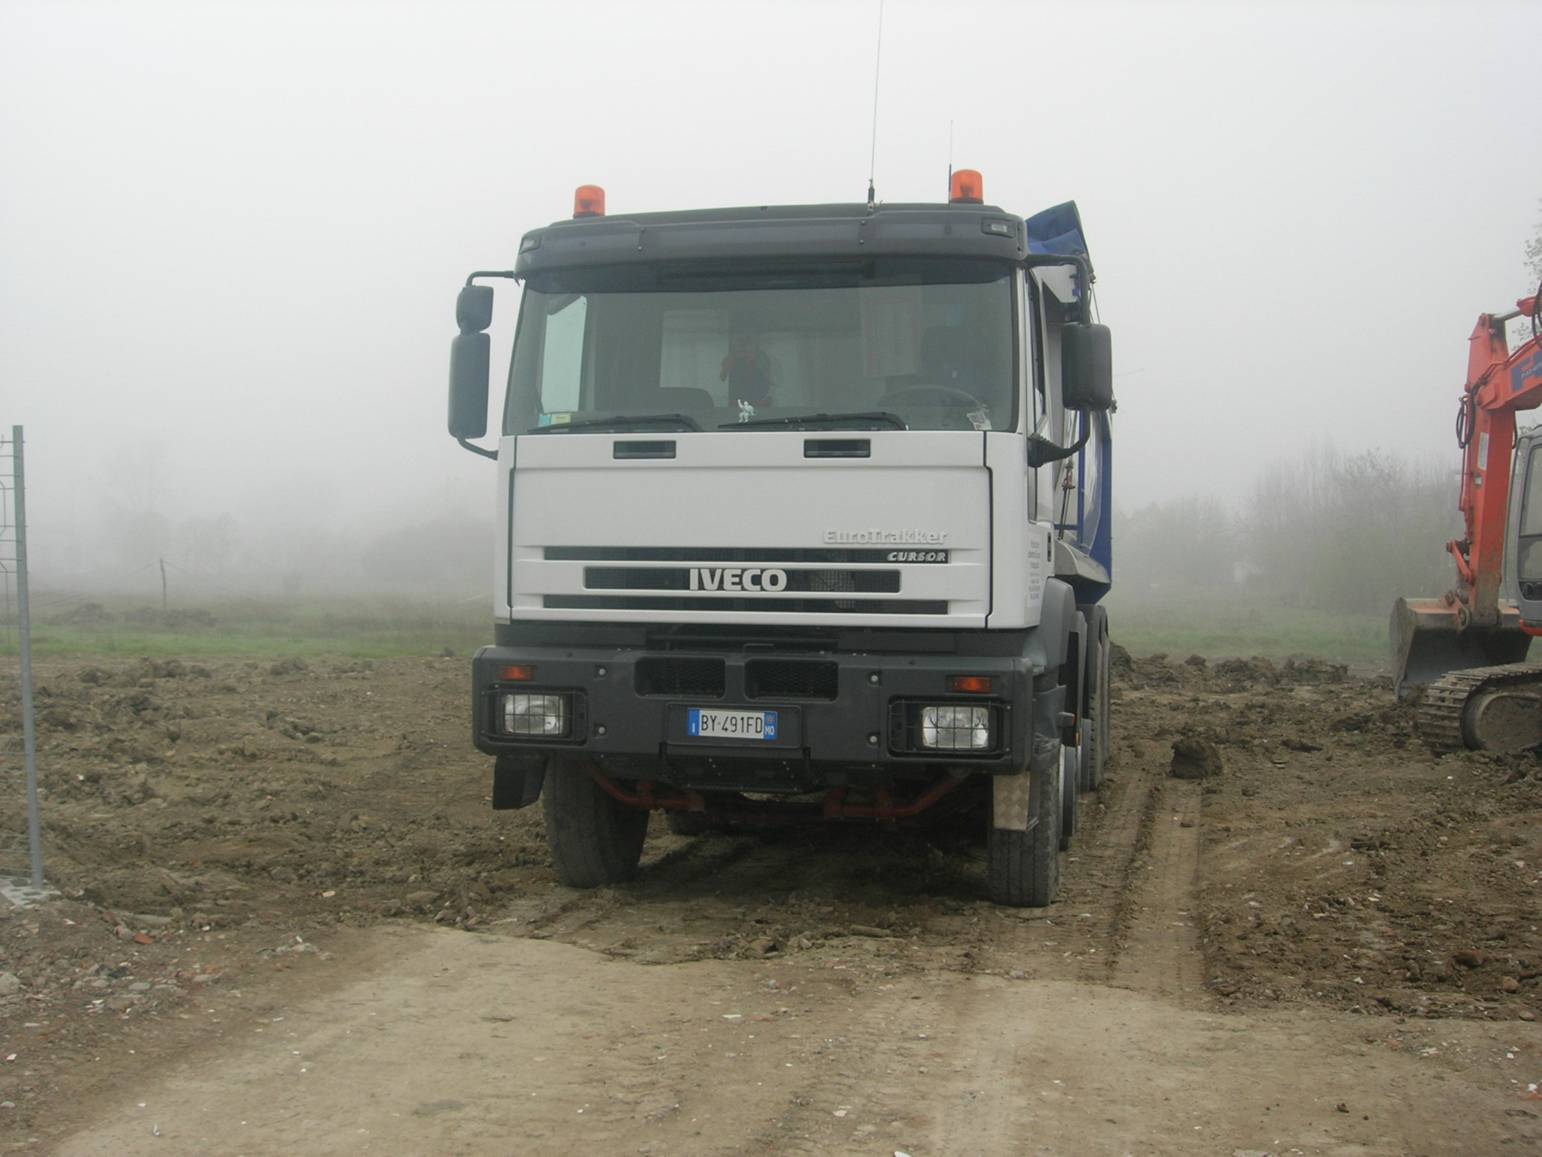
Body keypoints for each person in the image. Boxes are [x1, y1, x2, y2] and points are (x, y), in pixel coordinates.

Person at [720, 333, 773, 407]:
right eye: (741, 342)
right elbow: (722, 378)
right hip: (737, 404)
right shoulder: (731, 359)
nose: (744, 346)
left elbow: (771, 380)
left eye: (748, 342)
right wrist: (729, 363)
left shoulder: (761, 358)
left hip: (760, 403)